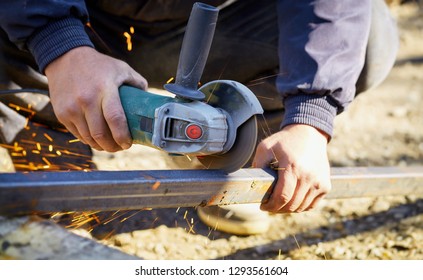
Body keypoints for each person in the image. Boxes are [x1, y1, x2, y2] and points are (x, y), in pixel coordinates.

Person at [0, 0, 398, 235]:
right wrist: (59, 45)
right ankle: (51, 149)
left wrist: (311, 113)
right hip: (78, 16)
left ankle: (217, 150)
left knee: (371, 35)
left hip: (214, 21)